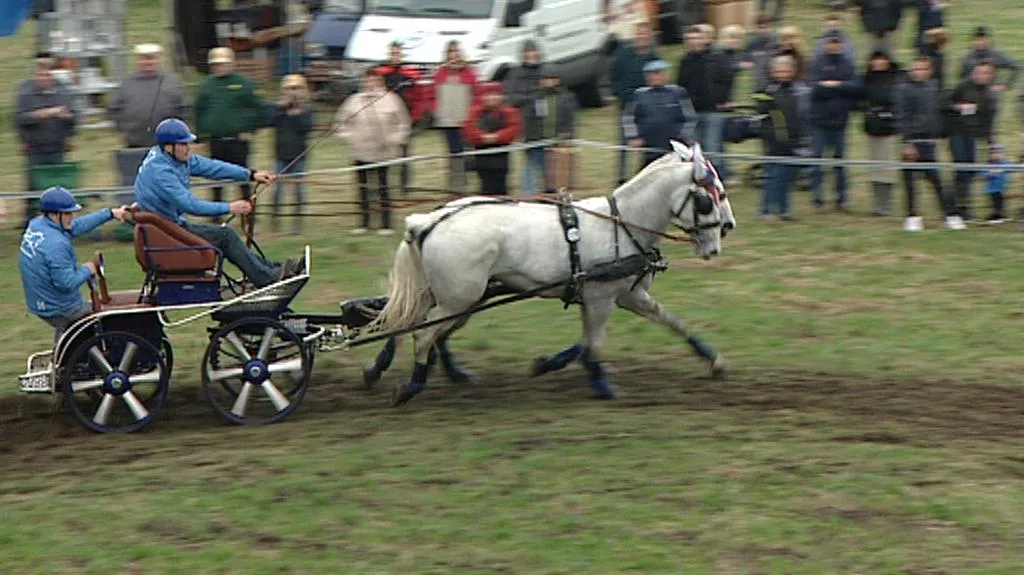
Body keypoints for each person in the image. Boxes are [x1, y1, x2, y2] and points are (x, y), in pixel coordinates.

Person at [133, 118, 304, 287]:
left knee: (225, 235)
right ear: (170, 147)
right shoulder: (161, 172)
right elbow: (191, 205)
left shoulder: (167, 157)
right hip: (168, 233)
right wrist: (230, 207)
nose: (188, 148)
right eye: (183, 144)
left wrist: (250, 174)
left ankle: (273, 270)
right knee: (226, 235)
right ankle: (268, 278)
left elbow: (212, 167)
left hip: (167, 228)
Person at [19, 187, 130, 343]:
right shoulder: (56, 245)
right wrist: (88, 269)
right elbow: (67, 283)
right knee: (111, 318)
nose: (72, 216)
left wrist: (111, 213)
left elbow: (78, 226)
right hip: (60, 307)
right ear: (54, 215)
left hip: (40, 302)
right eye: (67, 213)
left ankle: (68, 347)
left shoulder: (38, 225)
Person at [335, 68, 411, 235]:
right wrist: (351, 137)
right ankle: (364, 223)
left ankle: (386, 224)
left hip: (384, 153)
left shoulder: (392, 99)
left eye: (374, 81)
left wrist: (395, 140)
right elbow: (340, 123)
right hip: (360, 153)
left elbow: (403, 124)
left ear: (380, 82)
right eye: (367, 81)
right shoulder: (353, 101)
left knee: (383, 188)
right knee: (362, 189)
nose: (370, 84)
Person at [194, 47, 268, 210]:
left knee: (243, 178)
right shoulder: (207, 85)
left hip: (237, 141)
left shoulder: (243, 83)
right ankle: (216, 215)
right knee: (216, 180)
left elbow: (259, 108)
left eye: (223, 64)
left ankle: (249, 213)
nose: (219, 67)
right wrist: (200, 136)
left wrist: (251, 129)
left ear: (231, 63)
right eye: (216, 64)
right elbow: (199, 110)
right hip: (216, 141)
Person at [15, 51, 77, 228]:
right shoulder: (25, 91)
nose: (44, 74)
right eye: (40, 71)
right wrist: (42, 114)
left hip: (57, 147)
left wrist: (69, 130)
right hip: (34, 147)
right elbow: (19, 118)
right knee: (33, 185)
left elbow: (75, 117)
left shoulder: (63, 90)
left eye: (47, 71)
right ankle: (29, 221)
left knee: (56, 186)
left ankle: (57, 220)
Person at [898, 55, 960, 232]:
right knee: (910, 181)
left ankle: (950, 215)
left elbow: (937, 113)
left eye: (923, 69)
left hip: (929, 142)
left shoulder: (933, 88)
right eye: (916, 68)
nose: (919, 72)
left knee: (937, 180)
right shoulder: (904, 89)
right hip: (912, 141)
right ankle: (912, 216)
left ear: (930, 71)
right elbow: (903, 117)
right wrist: (907, 143)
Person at [808, 30, 859, 212]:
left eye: (838, 42)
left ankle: (841, 198)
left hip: (840, 122)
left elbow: (855, 87)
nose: (834, 45)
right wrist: (838, 88)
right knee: (816, 162)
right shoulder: (817, 63)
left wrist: (835, 85)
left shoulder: (848, 64)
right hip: (819, 122)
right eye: (831, 42)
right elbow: (814, 88)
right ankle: (817, 198)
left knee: (840, 162)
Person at [754, 55, 810, 221]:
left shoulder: (796, 91)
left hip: (793, 142)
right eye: (779, 70)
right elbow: (764, 118)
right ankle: (767, 210)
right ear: (773, 71)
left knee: (787, 179)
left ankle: (785, 210)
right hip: (774, 143)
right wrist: (774, 137)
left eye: (786, 70)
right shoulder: (766, 92)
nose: (783, 73)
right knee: (773, 177)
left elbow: (799, 117)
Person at [107, 43, 191, 148]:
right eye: (144, 59)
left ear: (159, 60)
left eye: (152, 58)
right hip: (135, 141)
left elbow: (184, 108)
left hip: (168, 141)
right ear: (138, 60)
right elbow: (114, 109)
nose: (148, 62)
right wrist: (122, 129)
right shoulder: (127, 83)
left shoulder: (172, 81)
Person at [944, 61, 996, 222]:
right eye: (980, 72)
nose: (983, 76)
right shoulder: (962, 86)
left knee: (970, 171)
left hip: (973, 135)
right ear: (974, 73)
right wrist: (957, 107)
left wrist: (991, 143)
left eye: (987, 73)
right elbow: (943, 102)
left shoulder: (989, 96)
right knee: (961, 168)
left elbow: (989, 121)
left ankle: (964, 206)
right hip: (957, 132)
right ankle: (955, 208)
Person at [610, 21, 660, 186]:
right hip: (626, 107)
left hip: (647, 110)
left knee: (646, 144)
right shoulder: (624, 54)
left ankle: (643, 177)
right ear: (634, 36)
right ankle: (621, 178)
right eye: (639, 34)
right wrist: (619, 94)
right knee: (623, 144)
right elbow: (614, 76)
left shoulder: (654, 58)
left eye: (645, 34)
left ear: (650, 37)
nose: (642, 37)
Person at [624, 59, 697, 169]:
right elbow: (629, 117)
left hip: (674, 147)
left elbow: (690, 118)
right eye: (650, 74)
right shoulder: (640, 94)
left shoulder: (677, 92)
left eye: (657, 73)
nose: (654, 77)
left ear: (665, 74)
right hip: (650, 148)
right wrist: (634, 136)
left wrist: (682, 136)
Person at [268, 74, 314, 234]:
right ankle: (275, 220)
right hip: (280, 155)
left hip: (299, 155)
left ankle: (297, 223)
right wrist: (282, 108)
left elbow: (308, 127)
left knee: (299, 192)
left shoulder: (307, 108)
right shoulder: (278, 107)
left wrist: (298, 114)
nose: (293, 92)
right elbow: (270, 120)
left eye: (296, 88)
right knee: (277, 191)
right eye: (290, 88)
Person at [432, 40, 479, 194]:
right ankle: (454, 185)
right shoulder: (440, 73)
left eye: (456, 51)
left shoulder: (468, 72)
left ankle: (463, 183)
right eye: (451, 51)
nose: (454, 54)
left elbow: (475, 94)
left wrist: (473, 114)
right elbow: (435, 95)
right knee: (453, 154)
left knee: (465, 153)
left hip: (465, 120)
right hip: (447, 121)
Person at [503, 39, 548, 195]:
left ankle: (547, 191)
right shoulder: (515, 74)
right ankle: (528, 193)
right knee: (532, 160)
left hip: (547, 124)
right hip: (527, 125)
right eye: (528, 51)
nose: (531, 54)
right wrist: (531, 98)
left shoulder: (546, 71)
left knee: (546, 161)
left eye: (534, 50)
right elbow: (511, 97)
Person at [861, 49, 902, 216]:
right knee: (874, 165)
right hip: (872, 126)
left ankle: (886, 203)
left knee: (886, 166)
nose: (878, 63)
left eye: (882, 59)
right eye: (875, 60)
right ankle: (877, 203)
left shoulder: (895, 79)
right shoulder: (867, 79)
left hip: (888, 127)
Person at [462, 82, 522, 196]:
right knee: (486, 186)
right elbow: (469, 129)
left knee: (501, 185)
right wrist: (482, 137)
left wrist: (497, 137)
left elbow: (514, 128)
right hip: (482, 157)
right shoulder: (475, 112)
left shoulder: (509, 112)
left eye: (496, 94)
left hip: (502, 157)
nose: (492, 98)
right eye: (488, 94)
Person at [377, 41, 422, 194]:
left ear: (401, 55)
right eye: (392, 53)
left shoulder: (409, 74)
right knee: (384, 153)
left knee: (405, 154)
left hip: (405, 119)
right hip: (386, 119)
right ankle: (383, 186)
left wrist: (414, 117)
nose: (395, 56)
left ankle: (405, 185)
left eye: (397, 53)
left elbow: (417, 97)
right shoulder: (382, 74)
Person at [676, 26, 719, 161]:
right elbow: (680, 86)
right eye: (689, 39)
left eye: (696, 38)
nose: (693, 42)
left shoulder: (714, 59)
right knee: (693, 151)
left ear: (703, 40)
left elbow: (723, 79)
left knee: (712, 149)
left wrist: (719, 98)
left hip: (711, 111)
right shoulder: (684, 62)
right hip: (691, 113)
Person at [983, 143, 1010, 224]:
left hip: (1001, 188)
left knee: (1000, 202)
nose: (996, 155)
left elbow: (1011, 168)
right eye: (993, 153)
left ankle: (999, 215)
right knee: (995, 202)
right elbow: (982, 173)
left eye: (999, 153)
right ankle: (996, 215)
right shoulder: (988, 165)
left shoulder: (1004, 164)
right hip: (992, 189)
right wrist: (990, 173)